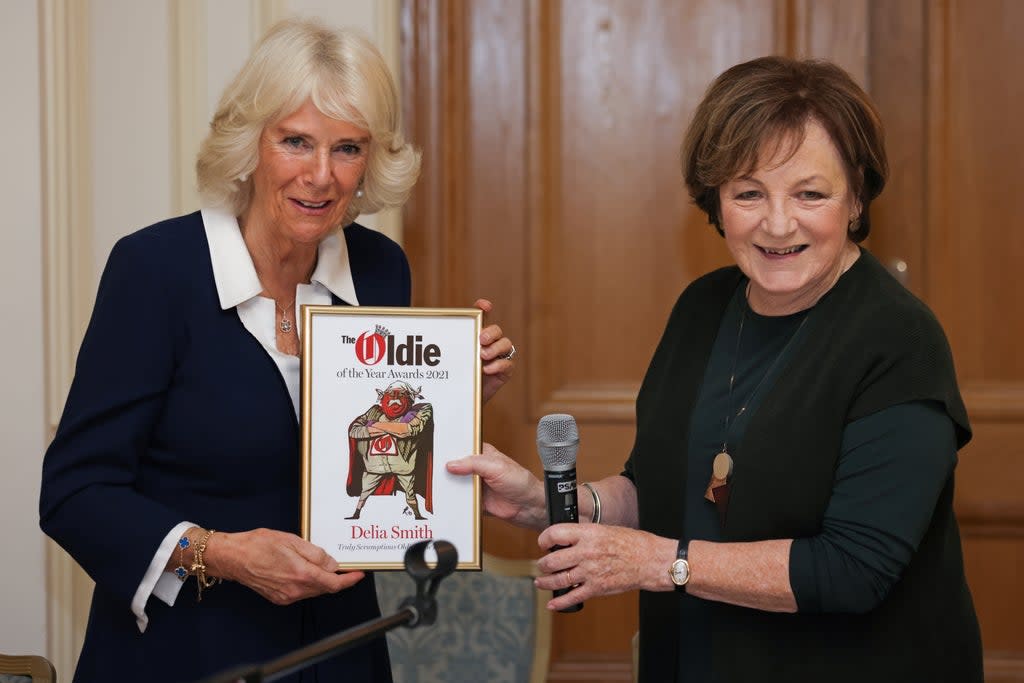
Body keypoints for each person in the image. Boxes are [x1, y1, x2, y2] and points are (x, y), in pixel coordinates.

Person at [447, 56, 982, 682]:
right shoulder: (702, 307)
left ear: (857, 198)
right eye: (749, 193)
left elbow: (852, 568)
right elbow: (665, 490)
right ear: (717, 201)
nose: (778, 223)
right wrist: (547, 504)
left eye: (810, 193)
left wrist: (659, 564)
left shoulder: (900, 340)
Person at [39, 17, 515, 683]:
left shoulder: (380, 270)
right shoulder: (156, 271)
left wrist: (454, 392)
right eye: (296, 141)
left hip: (340, 650)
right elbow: (75, 492)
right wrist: (224, 554)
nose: (320, 177)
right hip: (185, 651)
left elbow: (373, 463)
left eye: (347, 148)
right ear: (251, 143)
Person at [346, 380, 434, 520]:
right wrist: (392, 428)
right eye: (391, 394)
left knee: (409, 493)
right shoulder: (374, 411)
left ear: (410, 397)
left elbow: (408, 430)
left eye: (401, 395)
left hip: (403, 466)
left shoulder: (421, 410)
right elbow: (354, 430)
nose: (395, 399)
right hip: (374, 466)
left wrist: (373, 425)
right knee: (365, 492)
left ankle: (417, 515)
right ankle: (356, 514)